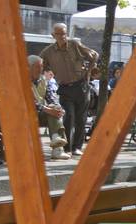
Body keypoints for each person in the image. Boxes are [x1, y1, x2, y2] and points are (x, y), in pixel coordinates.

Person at [40, 23, 98, 156]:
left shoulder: (74, 45)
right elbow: (39, 64)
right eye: (59, 34)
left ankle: (77, 147)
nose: (62, 36)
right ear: (53, 35)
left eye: (64, 33)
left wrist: (88, 72)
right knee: (68, 117)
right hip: (64, 88)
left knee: (81, 119)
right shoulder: (48, 52)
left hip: (81, 86)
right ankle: (66, 148)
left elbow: (94, 55)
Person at [28, 55, 70, 160]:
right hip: (23, 115)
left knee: (55, 110)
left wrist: (58, 108)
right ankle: (57, 146)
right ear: (29, 67)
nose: (41, 70)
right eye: (38, 67)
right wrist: (47, 109)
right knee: (51, 112)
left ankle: (56, 142)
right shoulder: (21, 80)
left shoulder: (44, 80)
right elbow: (28, 101)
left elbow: (51, 97)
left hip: (39, 113)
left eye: (41, 67)